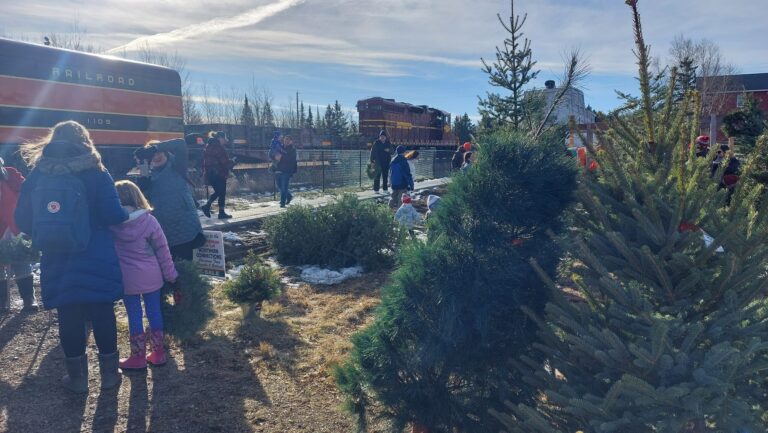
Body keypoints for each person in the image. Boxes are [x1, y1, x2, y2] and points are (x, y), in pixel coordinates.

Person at [15, 120, 128, 393]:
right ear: (84, 140)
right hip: (96, 253)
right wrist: (125, 214)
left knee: (69, 313)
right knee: (102, 309)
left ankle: (77, 380)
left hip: (57, 258)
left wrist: (49, 231)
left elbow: (22, 219)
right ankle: (110, 376)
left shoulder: (39, 174)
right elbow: (114, 215)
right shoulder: (96, 171)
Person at [111, 180, 178, 370]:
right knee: (154, 311)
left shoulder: (111, 224)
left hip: (127, 278)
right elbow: (162, 250)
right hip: (151, 275)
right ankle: (158, 353)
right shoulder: (149, 220)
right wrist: (171, 275)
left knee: (134, 315)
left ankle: (137, 356)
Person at [134, 141, 205, 261]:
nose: (156, 156)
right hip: (161, 232)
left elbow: (181, 144)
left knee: (184, 269)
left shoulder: (177, 166)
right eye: (153, 154)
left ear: (166, 153)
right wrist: (142, 187)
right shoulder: (148, 176)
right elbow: (144, 205)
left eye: (159, 152)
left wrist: (155, 147)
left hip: (184, 229)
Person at [0, 157, 37, 312]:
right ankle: (2, 302)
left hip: (15, 225)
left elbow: (27, 191)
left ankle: (29, 298)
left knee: (21, 261)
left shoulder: (11, 174)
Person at [201, 132, 235, 219]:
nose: (225, 140)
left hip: (210, 173)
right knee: (221, 193)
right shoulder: (218, 147)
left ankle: (207, 206)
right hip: (219, 173)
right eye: (224, 138)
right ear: (220, 138)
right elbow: (224, 163)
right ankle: (221, 213)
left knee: (218, 192)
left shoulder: (208, 146)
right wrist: (233, 162)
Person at [275, 134, 298, 208]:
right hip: (279, 170)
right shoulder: (281, 147)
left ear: (291, 141)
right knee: (279, 186)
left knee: (284, 187)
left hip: (287, 171)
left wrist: (281, 157)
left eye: (288, 139)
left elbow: (290, 159)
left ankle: (282, 203)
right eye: (285, 139)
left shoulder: (292, 149)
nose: (286, 141)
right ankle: (289, 196)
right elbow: (275, 156)